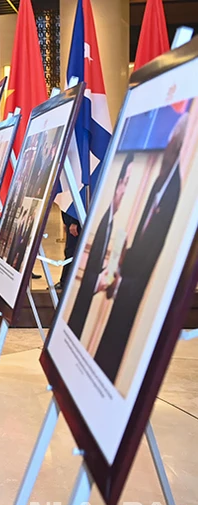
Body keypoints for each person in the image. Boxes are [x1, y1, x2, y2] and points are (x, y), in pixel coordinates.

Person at [94, 116, 186, 381]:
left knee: (117, 357)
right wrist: (119, 262)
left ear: (177, 147)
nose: (162, 149)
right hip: (122, 285)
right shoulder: (160, 182)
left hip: (136, 296)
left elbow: (156, 257)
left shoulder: (176, 193)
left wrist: (120, 276)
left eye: (169, 143)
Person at [67, 154, 133, 341]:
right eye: (126, 182)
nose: (127, 190)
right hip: (82, 315)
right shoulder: (102, 220)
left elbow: (113, 272)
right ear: (117, 183)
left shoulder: (119, 226)